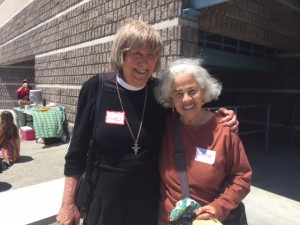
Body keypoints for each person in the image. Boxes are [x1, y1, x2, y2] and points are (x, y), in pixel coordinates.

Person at [56, 20, 239, 225]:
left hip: (147, 205)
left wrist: (217, 117)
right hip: (102, 202)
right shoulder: (96, 88)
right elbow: (76, 152)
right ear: (121, 55)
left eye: (151, 54)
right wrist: (67, 204)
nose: (144, 62)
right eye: (137, 53)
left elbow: (188, 110)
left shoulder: (159, 93)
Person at [154, 58, 252, 225]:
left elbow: (241, 178)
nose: (186, 99)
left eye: (192, 90)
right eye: (178, 93)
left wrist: (218, 207)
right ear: (170, 98)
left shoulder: (224, 130)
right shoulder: (166, 124)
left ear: (204, 90)